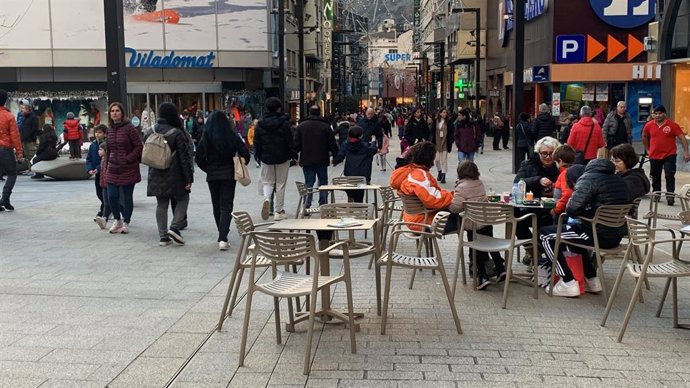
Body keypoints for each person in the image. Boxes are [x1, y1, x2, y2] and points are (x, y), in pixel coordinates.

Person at [538, 158, 629, 297]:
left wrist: (584, 210)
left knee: (545, 235)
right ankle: (592, 279)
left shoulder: (588, 178)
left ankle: (567, 282)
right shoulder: (620, 181)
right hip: (615, 236)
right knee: (573, 239)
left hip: (595, 234)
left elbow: (572, 209)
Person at [196, 111, 250, 250]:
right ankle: (223, 237)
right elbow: (245, 153)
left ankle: (222, 233)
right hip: (228, 174)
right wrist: (240, 163)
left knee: (216, 205)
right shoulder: (231, 135)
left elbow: (198, 158)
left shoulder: (206, 137)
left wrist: (208, 169)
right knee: (226, 206)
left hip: (212, 176)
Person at [447, 161, 506, 289]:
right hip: (486, 221)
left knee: (476, 249)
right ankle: (501, 269)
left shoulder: (461, 187)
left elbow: (456, 207)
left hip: (472, 223)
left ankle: (482, 276)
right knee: (490, 244)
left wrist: (449, 204)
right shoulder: (479, 183)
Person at [146, 102, 194, 246]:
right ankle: (174, 226)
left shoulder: (150, 130)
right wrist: (188, 178)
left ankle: (163, 237)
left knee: (161, 203)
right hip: (174, 172)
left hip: (155, 171)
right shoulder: (177, 132)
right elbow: (184, 157)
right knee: (183, 198)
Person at [389, 141, 453, 230]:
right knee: (468, 219)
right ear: (428, 158)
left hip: (414, 218)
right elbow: (433, 199)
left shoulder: (407, 172)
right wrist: (453, 196)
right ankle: (474, 242)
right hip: (423, 221)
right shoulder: (418, 175)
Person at [105, 102, 143, 234]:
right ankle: (117, 220)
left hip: (128, 168)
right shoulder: (109, 129)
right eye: (112, 111)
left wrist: (128, 159)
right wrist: (106, 166)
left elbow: (139, 146)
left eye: (117, 111)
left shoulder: (129, 128)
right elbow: (108, 149)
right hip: (113, 168)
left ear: (122, 113)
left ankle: (126, 221)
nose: (114, 113)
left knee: (127, 197)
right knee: (112, 196)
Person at [254, 97, 295, 221]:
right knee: (280, 184)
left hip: (266, 157)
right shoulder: (284, 123)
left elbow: (257, 142)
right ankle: (279, 211)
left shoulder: (260, 124)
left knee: (268, 182)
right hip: (282, 157)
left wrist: (258, 156)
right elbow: (289, 141)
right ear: (279, 108)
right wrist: (292, 154)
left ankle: (267, 199)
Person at [642, 105, 690, 206]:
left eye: (660, 113)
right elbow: (645, 136)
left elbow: (682, 138)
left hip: (670, 154)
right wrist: (647, 150)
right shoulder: (649, 125)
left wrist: (686, 152)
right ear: (653, 115)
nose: (658, 115)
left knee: (669, 174)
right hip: (654, 155)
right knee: (655, 175)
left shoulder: (672, 125)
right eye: (656, 113)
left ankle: (670, 195)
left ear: (665, 114)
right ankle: (657, 193)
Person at [294, 105, 339, 209]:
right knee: (323, 181)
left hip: (307, 158)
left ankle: (307, 204)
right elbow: (332, 143)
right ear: (320, 113)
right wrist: (336, 156)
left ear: (309, 112)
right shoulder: (325, 126)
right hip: (322, 158)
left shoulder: (302, 126)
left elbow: (296, 143)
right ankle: (323, 203)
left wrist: (295, 155)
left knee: (309, 182)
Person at [332, 126, 378, 202]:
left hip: (349, 172)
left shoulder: (345, 144)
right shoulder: (364, 145)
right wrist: (373, 142)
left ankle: (351, 201)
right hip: (362, 173)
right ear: (360, 136)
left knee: (351, 189)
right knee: (359, 194)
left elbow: (340, 156)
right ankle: (358, 206)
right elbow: (373, 150)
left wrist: (335, 162)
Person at [610, 143, 651, 215]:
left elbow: (621, 198)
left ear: (628, 160)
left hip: (618, 215)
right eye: (612, 160)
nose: (613, 164)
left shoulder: (634, 180)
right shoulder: (621, 176)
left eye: (617, 161)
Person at [0, 89, 23, 212]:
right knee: (12, 174)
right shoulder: (8, 116)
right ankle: (5, 198)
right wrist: (19, 152)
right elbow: (15, 136)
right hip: (5, 149)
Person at [550, 144, 577, 217]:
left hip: (563, 213)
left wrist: (556, 210)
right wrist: (553, 185)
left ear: (560, 161)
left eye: (555, 162)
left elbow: (567, 193)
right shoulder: (575, 171)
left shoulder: (565, 174)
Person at [85, 125, 107, 213]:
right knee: (99, 193)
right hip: (97, 173)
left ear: (105, 134)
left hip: (105, 173)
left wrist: (98, 168)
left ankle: (103, 213)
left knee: (105, 193)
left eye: (100, 132)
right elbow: (89, 159)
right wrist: (89, 169)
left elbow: (105, 160)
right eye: (96, 132)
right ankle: (107, 209)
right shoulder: (93, 145)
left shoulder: (107, 144)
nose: (97, 134)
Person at [430, 108, 453, 184]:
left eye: (446, 112)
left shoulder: (448, 122)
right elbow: (432, 132)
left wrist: (451, 140)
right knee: (436, 160)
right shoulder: (435, 122)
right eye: (443, 112)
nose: (445, 114)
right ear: (440, 113)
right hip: (437, 143)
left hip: (445, 143)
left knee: (444, 160)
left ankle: (443, 175)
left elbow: (451, 132)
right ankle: (439, 171)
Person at [94, 143, 112, 230]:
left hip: (109, 183)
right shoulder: (102, 160)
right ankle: (104, 219)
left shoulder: (109, 160)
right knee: (106, 202)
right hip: (103, 184)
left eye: (101, 150)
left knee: (113, 202)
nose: (99, 151)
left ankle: (123, 218)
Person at [19, 99, 39, 163]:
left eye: (23, 108)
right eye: (22, 108)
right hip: (24, 140)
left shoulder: (33, 117)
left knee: (32, 156)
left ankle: (34, 170)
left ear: (28, 108)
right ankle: (29, 169)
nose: (22, 110)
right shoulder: (25, 117)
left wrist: (26, 136)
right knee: (27, 157)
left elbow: (34, 129)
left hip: (30, 140)